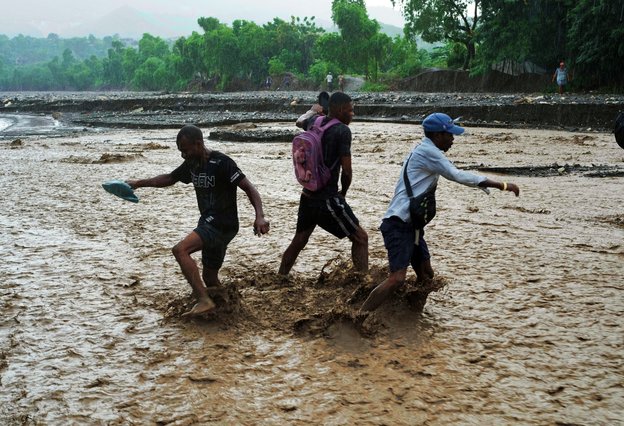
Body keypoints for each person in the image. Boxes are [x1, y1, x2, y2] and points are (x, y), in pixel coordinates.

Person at [360, 113, 520, 312]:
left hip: (412, 225)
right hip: (399, 224)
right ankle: (356, 317)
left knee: (426, 275)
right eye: (450, 135)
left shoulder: (424, 149)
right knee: (397, 279)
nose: (453, 139)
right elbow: (456, 175)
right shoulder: (429, 153)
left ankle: (411, 316)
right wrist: (501, 185)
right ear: (437, 135)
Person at [126, 125, 270, 317]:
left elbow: (249, 188)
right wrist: (137, 183)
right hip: (210, 223)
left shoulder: (222, 162)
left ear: (198, 144)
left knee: (180, 250)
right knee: (209, 277)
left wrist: (259, 216)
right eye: (180, 151)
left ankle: (204, 300)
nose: (183, 155)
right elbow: (170, 178)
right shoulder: (192, 164)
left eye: (185, 150)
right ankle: (227, 308)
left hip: (222, 222)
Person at [279, 92, 368, 275]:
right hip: (327, 197)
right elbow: (347, 171)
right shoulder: (343, 131)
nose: (352, 114)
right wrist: (343, 193)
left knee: (299, 240)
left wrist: (312, 110)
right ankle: (363, 283)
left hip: (308, 193)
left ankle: (281, 276)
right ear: (342, 109)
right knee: (361, 238)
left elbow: (299, 121)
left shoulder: (314, 122)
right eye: (351, 110)